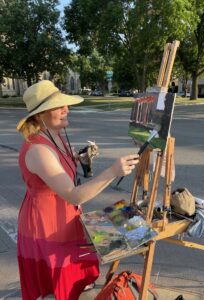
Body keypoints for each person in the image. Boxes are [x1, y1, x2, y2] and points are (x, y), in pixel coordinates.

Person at [16, 80, 139, 300]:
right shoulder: (38, 150)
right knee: (58, 283)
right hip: (47, 226)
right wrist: (113, 171)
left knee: (76, 274)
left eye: (65, 104)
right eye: (58, 106)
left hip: (65, 217)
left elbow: (60, 166)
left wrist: (77, 157)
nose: (66, 109)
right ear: (39, 115)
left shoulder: (55, 136)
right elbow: (73, 194)